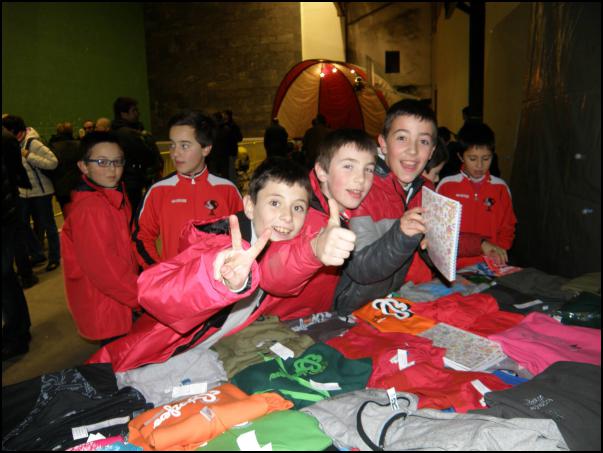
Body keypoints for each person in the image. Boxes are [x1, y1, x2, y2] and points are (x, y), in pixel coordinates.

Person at [87, 158, 315, 371]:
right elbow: (152, 292)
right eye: (275, 203)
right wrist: (218, 282)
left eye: (298, 207)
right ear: (249, 206)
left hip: (209, 355)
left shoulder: (284, 252)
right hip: (156, 355)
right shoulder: (217, 243)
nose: (287, 217)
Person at [333, 99, 437, 315]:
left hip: (410, 297)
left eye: (423, 141)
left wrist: (436, 246)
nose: (413, 151)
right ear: (383, 143)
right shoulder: (362, 189)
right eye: (402, 138)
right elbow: (361, 268)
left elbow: (431, 254)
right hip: (360, 308)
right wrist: (402, 234)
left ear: (432, 151)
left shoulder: (427, 190)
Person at [262, 128, 377, 320]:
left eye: (369, 169)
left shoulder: (349, 210)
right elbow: (271, 275)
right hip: (277, 324)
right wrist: (314, 249)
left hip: (317, 320)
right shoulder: (299, 212)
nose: (361, 178)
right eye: (348, 166)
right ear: (322, 171)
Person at [132, 110, 243, 269]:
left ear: (206, 149)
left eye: (184, 145)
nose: (174, 153)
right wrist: (159, 271)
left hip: (217, 280)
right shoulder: (159, 191)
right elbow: (141, 237)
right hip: (175, 281)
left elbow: (244, 236)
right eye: (172, 145)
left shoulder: (227, 190)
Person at [61, 131, 141, 344]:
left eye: (117, 161)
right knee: (118, 357)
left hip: (120, 298)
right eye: (102, 162)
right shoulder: (91, 209)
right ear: (83, 166)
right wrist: (141, 298)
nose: (112, 170)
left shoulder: (113, 195)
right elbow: (105, 271)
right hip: (108, 304)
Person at [437, 121, 516, 267]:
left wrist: (500, 251)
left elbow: (508, 227)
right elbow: (439, 231)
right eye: (472, 159)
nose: (479, 165)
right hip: (454, 266)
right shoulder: (446, 186)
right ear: (461, 156)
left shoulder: (501, 188)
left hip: (490, 266)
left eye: (486, 158)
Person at [2, 115, 61, 272]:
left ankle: (54, 257)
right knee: (22, 225)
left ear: (13, 130)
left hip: (42, 192)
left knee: (48, 225)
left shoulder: (32, 142)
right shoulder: (12, 144)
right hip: (24, 193)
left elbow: (53, 162)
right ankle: (37, 254)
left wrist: (28, 155)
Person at [2, 128, 32, 360]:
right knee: (6, 278)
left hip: (4, 216)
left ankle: (17, 335)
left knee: (4, 278)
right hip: (7, 212)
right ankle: (17, 330)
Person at [111, 96, 163, 212]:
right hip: (132, 180)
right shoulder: (127, 134)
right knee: (136, 211)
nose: (138, 113)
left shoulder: (122, 131)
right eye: (134, 110)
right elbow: (145, 154)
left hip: (130, 179)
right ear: (123, 114)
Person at [48, 122, 82, 214]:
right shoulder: (80, 145)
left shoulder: (52, 147)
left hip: (61, 188)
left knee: (67, 214)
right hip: (79, 186)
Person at [223, 109, 243, 183]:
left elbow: (239, 138)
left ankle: (233, 184)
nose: (223, 116)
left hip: (230, 151)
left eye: (225, 115)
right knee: (230, 170)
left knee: (231, 170)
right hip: (230, 150)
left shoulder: (231, 126)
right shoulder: (230, 125)